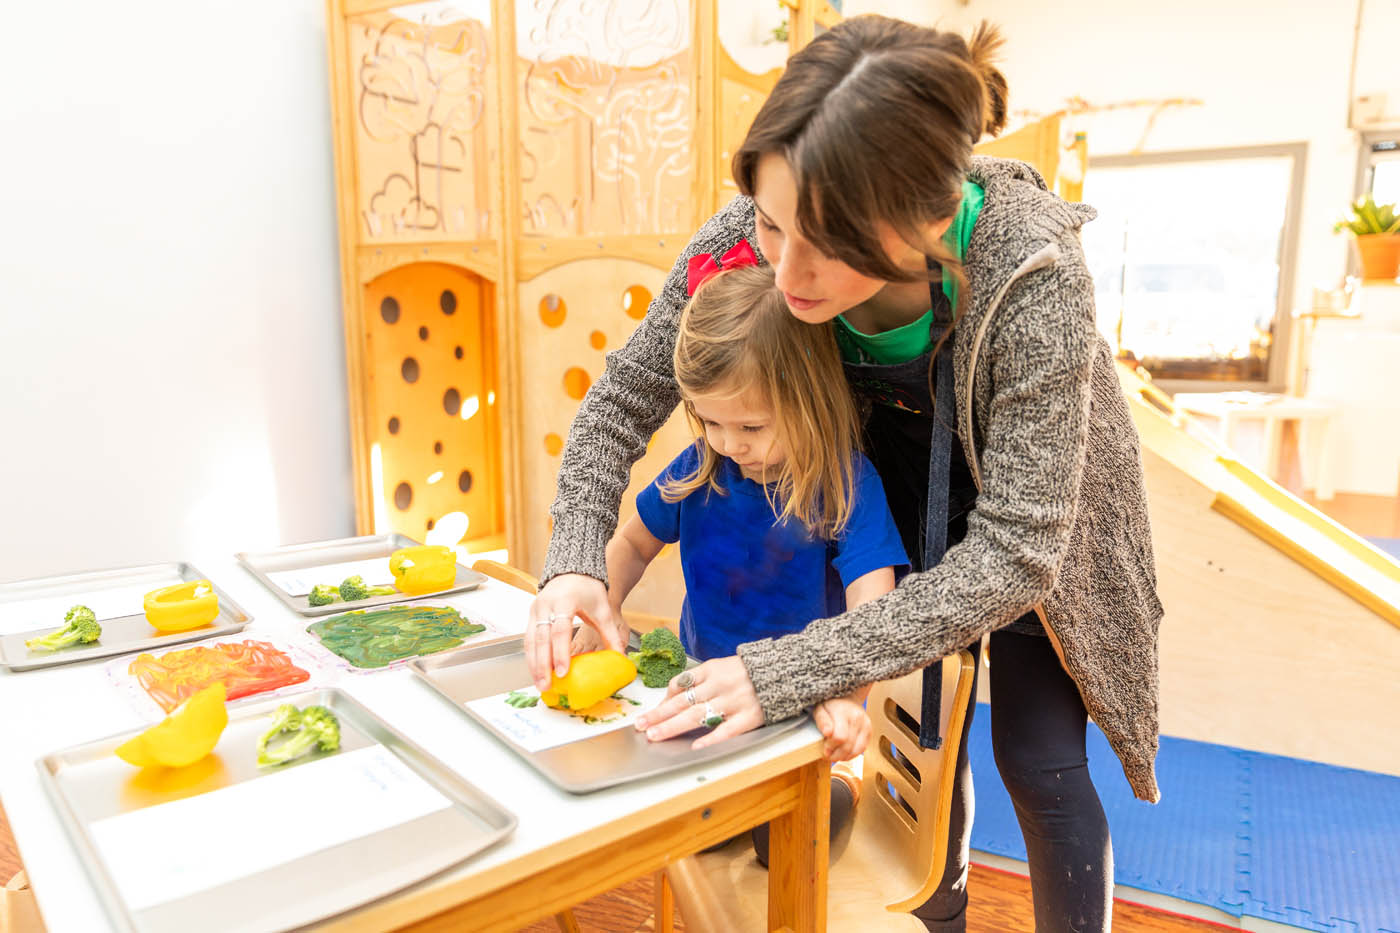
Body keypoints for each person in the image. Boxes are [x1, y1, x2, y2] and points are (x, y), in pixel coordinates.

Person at [526, 15, 1162, 932]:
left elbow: (1021, 549)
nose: (783, 267)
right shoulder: (749, 242)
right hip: (890, 501)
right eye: (772, 222)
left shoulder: (1031, 268)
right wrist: (577, 560)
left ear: (926, 218)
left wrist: (795, 667)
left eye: (821, 242)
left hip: (1036, 526)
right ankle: (936, 912)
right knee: (923, 738)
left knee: (1040, 756)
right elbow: (622, 393)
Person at [568, 260, 910, 859]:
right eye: (710, 421)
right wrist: (604, 604)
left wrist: (842, 689)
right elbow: (628, 546)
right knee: (678, 831)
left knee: (786, 839)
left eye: (751, 425)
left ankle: (833, 795)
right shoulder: (700, 468)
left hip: (810, 708)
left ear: (810, 399)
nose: (729, 444)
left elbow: (872, 606)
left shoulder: (848, 485)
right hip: (707, 697)